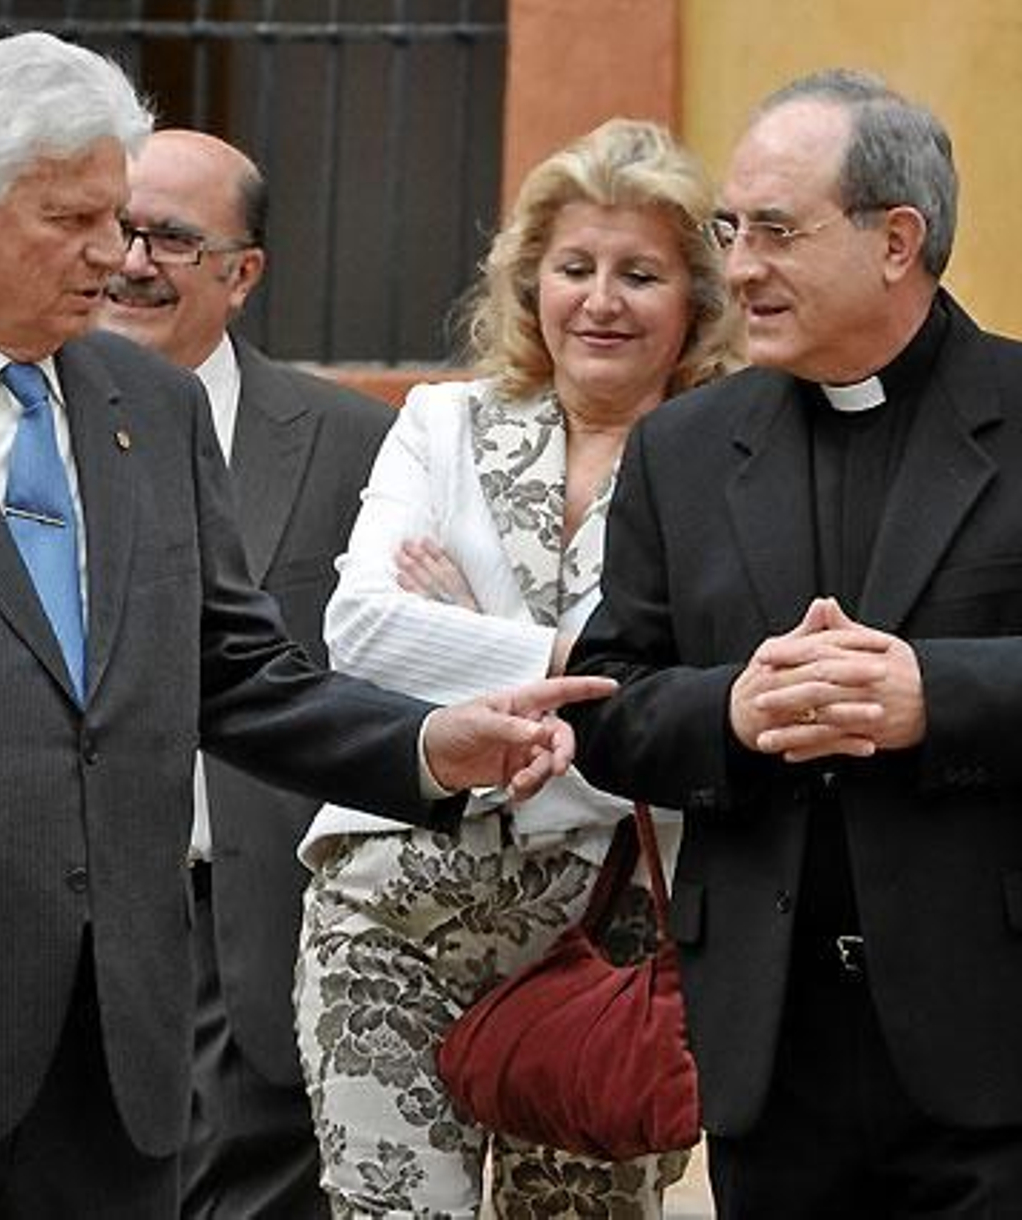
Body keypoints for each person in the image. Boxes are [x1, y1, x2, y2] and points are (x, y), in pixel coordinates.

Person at [0, 32, 613, 1217]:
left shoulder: (148, 406)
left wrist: (423, 745)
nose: (115, 255)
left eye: (123, 217)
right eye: (76, 220)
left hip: (119, 1068)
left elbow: (237, 672)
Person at [564, 69, 1022, 1218]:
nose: (737, 268)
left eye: (777, 231)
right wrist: (731, 713)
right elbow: (607, 702)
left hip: (1002, 1044)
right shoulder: (683, 448)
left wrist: (933, 693)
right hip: (769, 1044)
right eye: (729, 229)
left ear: (898, 239)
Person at [291, 118, 737, 1217]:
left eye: (639, 273)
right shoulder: (443, 423)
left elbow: (691, 714)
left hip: (614, 933)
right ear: (530, 280)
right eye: (573, 268)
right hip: (385, 914)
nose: (600, 300)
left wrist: (467, 627)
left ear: (694, 300)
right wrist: (586, 664)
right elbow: (359, 632)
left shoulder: (731, 459)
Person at [95, 128, 395, 1219]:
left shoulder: (358, 443)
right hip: (74, 932)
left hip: (265, 933)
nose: (131, 259)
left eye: (170, 237)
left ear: (243, 272)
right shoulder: (18, 429)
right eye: (114, 228)